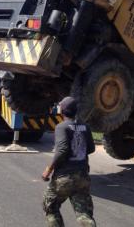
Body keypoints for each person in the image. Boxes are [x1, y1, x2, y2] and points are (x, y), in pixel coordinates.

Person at [42, 96, 96, 227]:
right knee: (83, 213)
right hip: (82, 176)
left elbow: (61, 151)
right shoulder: (85, 126)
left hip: (64, 178)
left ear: (62, 110)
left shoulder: (62, 127)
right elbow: (91, 148)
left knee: (51, 208)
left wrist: (48, 169)